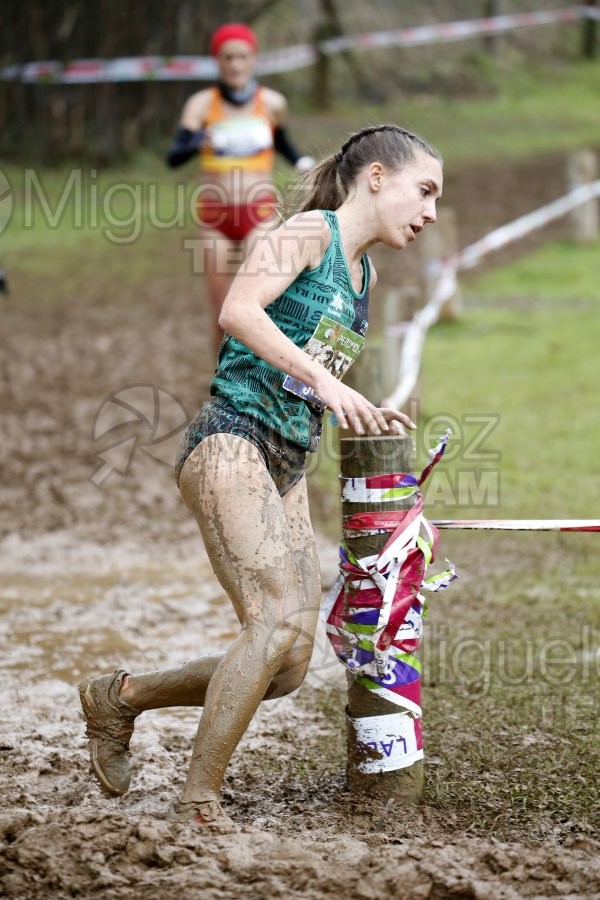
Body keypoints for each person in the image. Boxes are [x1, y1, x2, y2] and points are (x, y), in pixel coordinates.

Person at [79, 123, 443, 827]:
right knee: (273, 620)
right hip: (229, 442)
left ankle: (117, 698)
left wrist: (362, 405)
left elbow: (313, 378)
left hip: (286, 463)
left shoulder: (366, 272)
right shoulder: (307, 234)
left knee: (290, 663)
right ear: (375, 177)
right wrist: (323, 381)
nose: (429, 210)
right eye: (423, 190)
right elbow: (237, 311)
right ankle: (198, 802)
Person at [166, 22, 314, 352]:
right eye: (227, 57)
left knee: (258, 311)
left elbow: (285, 146)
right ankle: (222, 390)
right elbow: (173, 157)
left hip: (259, 213)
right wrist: (195, 143)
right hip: (215, 218)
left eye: (242, 57)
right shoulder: (202, 105)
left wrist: (306, 164)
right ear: (217, 61)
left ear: (253, 59)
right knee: (223, 315)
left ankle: (260, 387)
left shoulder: (272, 103)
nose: (235, 65)